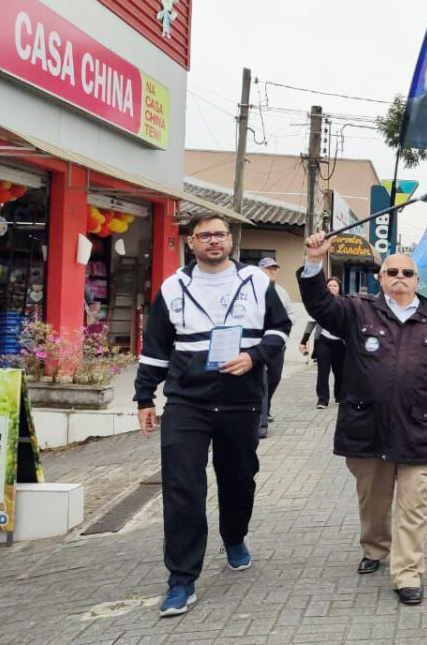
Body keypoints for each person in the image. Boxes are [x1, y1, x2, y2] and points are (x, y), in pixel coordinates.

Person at [298, 233, 427, 605]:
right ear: (380, 277)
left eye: (406, 272)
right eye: (391, 271)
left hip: (416, 427)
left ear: (416, 279)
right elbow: (319, 306)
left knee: (413, 504)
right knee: (374, 502)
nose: (399, 277)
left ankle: (407, 572)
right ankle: (375, 548)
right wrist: (314, 262)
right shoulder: (357, 310)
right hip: (367, 427)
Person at [133, 212, 292, 617]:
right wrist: (144, 398)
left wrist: (254, 356)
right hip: (188, 402)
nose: (214, 241)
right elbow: (155, 347)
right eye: (205, 235)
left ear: (230, 239)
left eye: (220, 234)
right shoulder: (174, 287)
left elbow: (279, 329)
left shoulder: (255, 281)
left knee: (238, 480)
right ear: (191, 242)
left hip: (241, 401)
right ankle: (181, 580)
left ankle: (234, 537)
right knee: (183, 487)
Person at [256, 257, 294, 438]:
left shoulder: (281, 292)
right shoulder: (252, 289)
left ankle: (266, 407)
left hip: (276, 344)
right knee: (260, 381)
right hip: (256, 345)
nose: (272, 271)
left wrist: (283, 330)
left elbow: (290, 314)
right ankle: (261, 421)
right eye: (269, 268)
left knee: (273, 378)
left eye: (274, 269)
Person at [298, 276, 346, 409]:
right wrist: (303, 341)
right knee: (323, 372)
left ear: (339, 288)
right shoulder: (320, 303)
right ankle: (322, 400)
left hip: (339, 343)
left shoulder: (344, 302)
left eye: (334, 286)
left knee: (340, 372)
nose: (332, 288)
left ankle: (339, 397)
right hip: (323, 341)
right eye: (329, 286)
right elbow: (311, 322)